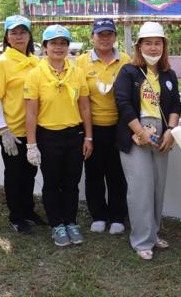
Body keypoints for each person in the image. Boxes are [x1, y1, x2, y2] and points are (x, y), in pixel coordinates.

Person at [114, 22, 181, 260]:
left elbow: (175, 105)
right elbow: (122, 103)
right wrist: (140, 132)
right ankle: (142, 240)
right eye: (148, 43)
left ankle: (153, 233)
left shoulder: (168, 74)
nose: (153, 48)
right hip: (135, 135)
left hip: (162, 135)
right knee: (140, 188)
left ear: (164, 46)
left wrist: (170, 130)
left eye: (157, 43)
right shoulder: (128, 71)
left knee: (157, 186)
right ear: (139, 46)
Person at [24, 25, 93, 247]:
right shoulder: (35, 74)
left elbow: (85, 107)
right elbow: (31, 112)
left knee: (72, 182)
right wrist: (31, 144)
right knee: (52, 182)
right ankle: (57, 225)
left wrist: (88, 137)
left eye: (63, 43)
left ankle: (70, 221)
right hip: (48, 136)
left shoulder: (77, 72)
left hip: (74, 135)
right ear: (45, 47)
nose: (58, 47)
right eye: (53, 43)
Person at [76, 19, 130, 235]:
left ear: (115, 37)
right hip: (92, 127)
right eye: (100, 34)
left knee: (117, 173)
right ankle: (98, 215)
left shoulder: (125, 60)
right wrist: (86, 135)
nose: (105, 38)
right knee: (94, 172)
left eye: (109, 34)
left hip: (119, 126)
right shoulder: (81, 62)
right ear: (92, 37)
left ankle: (117, 215)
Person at [0, 15, 44, 234]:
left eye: (23, 32)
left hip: (33, 129)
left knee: (30, 171)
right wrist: (4, 128)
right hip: (11, 129)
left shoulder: (36, 61)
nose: (18, 36)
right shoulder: (3, 63)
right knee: (14, 174)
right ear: (7, 36)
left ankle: (28, 210)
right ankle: (16, 216)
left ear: (30, 35)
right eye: (13, 33)